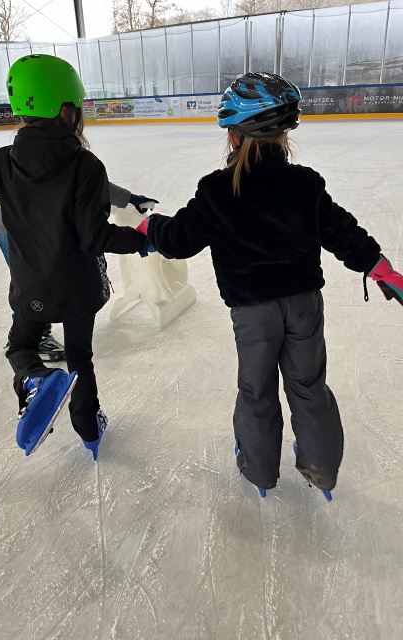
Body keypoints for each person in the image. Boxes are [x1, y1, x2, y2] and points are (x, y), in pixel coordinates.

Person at [136, 72, 403, 498]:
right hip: (303, 307)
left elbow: (179, 239)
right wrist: (380, 267)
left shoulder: (218, 190)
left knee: (257, 392)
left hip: (253, 314)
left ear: (234, 137)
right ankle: (321, 469)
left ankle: (259, 471)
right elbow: (343, 233)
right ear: (282, 136)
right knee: (308, 386)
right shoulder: (304, 183)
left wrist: (150, 227)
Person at [0, 53, 149, 460]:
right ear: (66, 110)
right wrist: (141, 240)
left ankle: (34, 379)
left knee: (21, 347)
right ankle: (89, 430)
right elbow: (95, 237)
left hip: (33, 288)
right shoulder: (86, 166)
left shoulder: (3, 164)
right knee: (80, 358)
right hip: (79, 290)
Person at [0, 186, 158, 361]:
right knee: (36, 286)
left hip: (19, 227)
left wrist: (130, 198)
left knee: (34, 283)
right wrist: (131, 200)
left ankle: (22, 333)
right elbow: (93, 184)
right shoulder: (62, 171)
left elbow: (93, 183)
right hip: (21, 232)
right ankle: (33, 338)